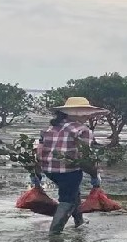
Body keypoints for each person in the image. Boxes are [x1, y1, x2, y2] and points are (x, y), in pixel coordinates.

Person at [31, 96, 105, 234]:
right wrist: (95, 175)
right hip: (69, 171)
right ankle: (54, 232)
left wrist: (36, 174)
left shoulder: (49, 129)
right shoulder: (82, 131)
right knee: (67, 200)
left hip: (49, 170)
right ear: (76, 114)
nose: (87, 116)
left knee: (73, 193)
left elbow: (38, 152)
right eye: (84, 113)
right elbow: (84, 158)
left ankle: (79, 221)